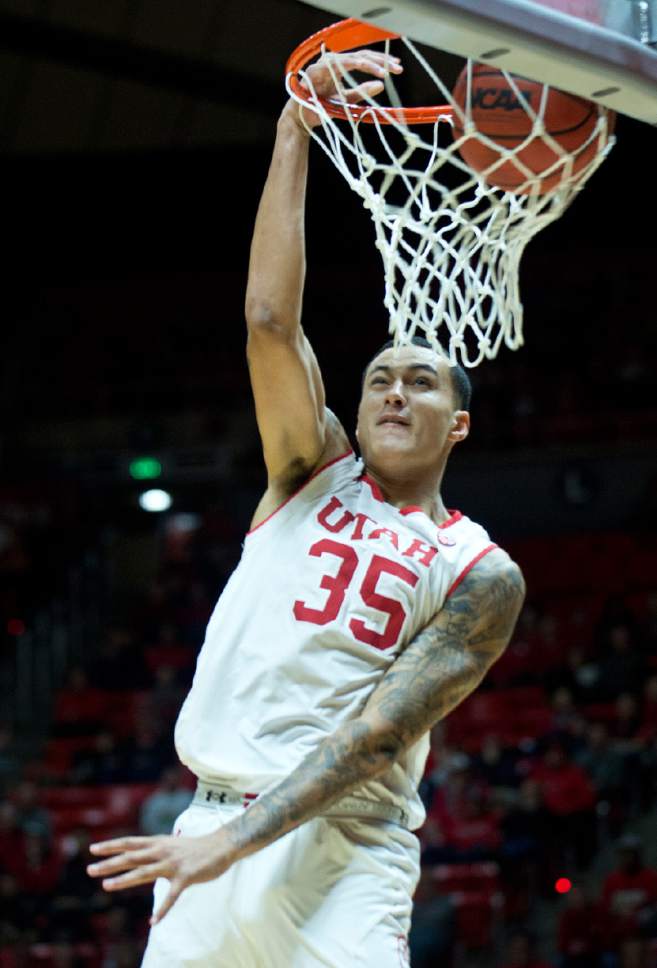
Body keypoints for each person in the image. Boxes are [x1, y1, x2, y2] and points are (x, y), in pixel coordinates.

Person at [87, 47, 525, 967]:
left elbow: (374, 740)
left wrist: (229, 850)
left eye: (420, 382)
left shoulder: (480, 572)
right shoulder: (305, 472)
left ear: (461, 426)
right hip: (206, 822)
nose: (394, 393)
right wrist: (294, 130)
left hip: (343, 846)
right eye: (377, 380)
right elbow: (267, 323)